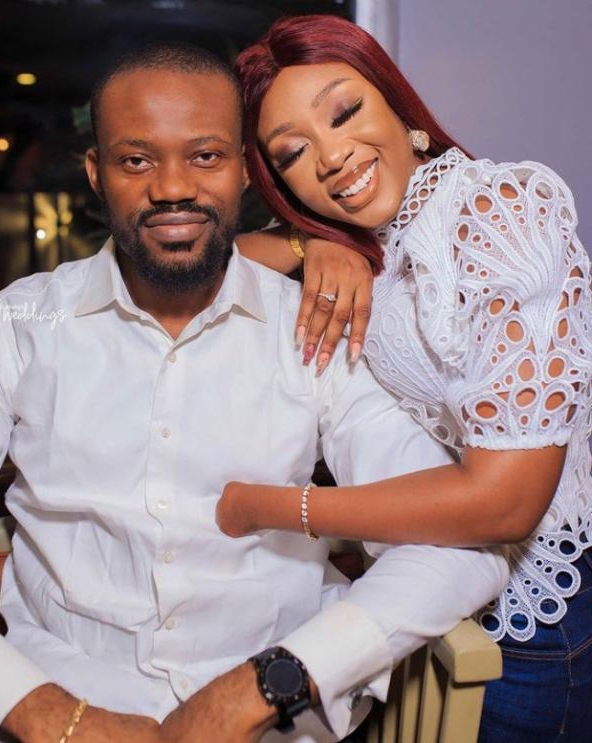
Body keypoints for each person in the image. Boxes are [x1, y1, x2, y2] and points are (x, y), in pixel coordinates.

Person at [0, 42, 509, 743]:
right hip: (55, 713)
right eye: (136, 160)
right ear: (95, 174)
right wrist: (47, 712)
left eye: (204, 156)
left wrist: (265, 685)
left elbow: (453, 545)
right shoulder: (12, 329)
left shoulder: (319, 329)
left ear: (242, 169)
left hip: (277, 722)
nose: (172, 186)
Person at [223, 14, 592, 743]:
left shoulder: (496, 208)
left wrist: (271, 507)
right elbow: (200, 264)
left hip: (534, 621)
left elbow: (507, 504)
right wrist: (308, 244)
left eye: (343, 112)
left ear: (396, 102)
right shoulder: (376, 246)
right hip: (438, 593)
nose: (332, 157)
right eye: (294, 151)